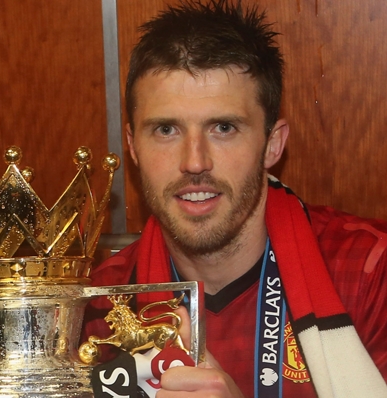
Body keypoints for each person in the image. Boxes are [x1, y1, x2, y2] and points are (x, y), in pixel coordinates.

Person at [85, 1, 387, 397]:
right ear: (132, 146)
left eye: (223, 127)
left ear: (272, 144)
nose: (194, 162)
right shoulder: (98, 305)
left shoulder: (370, 271)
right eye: (165, 130)